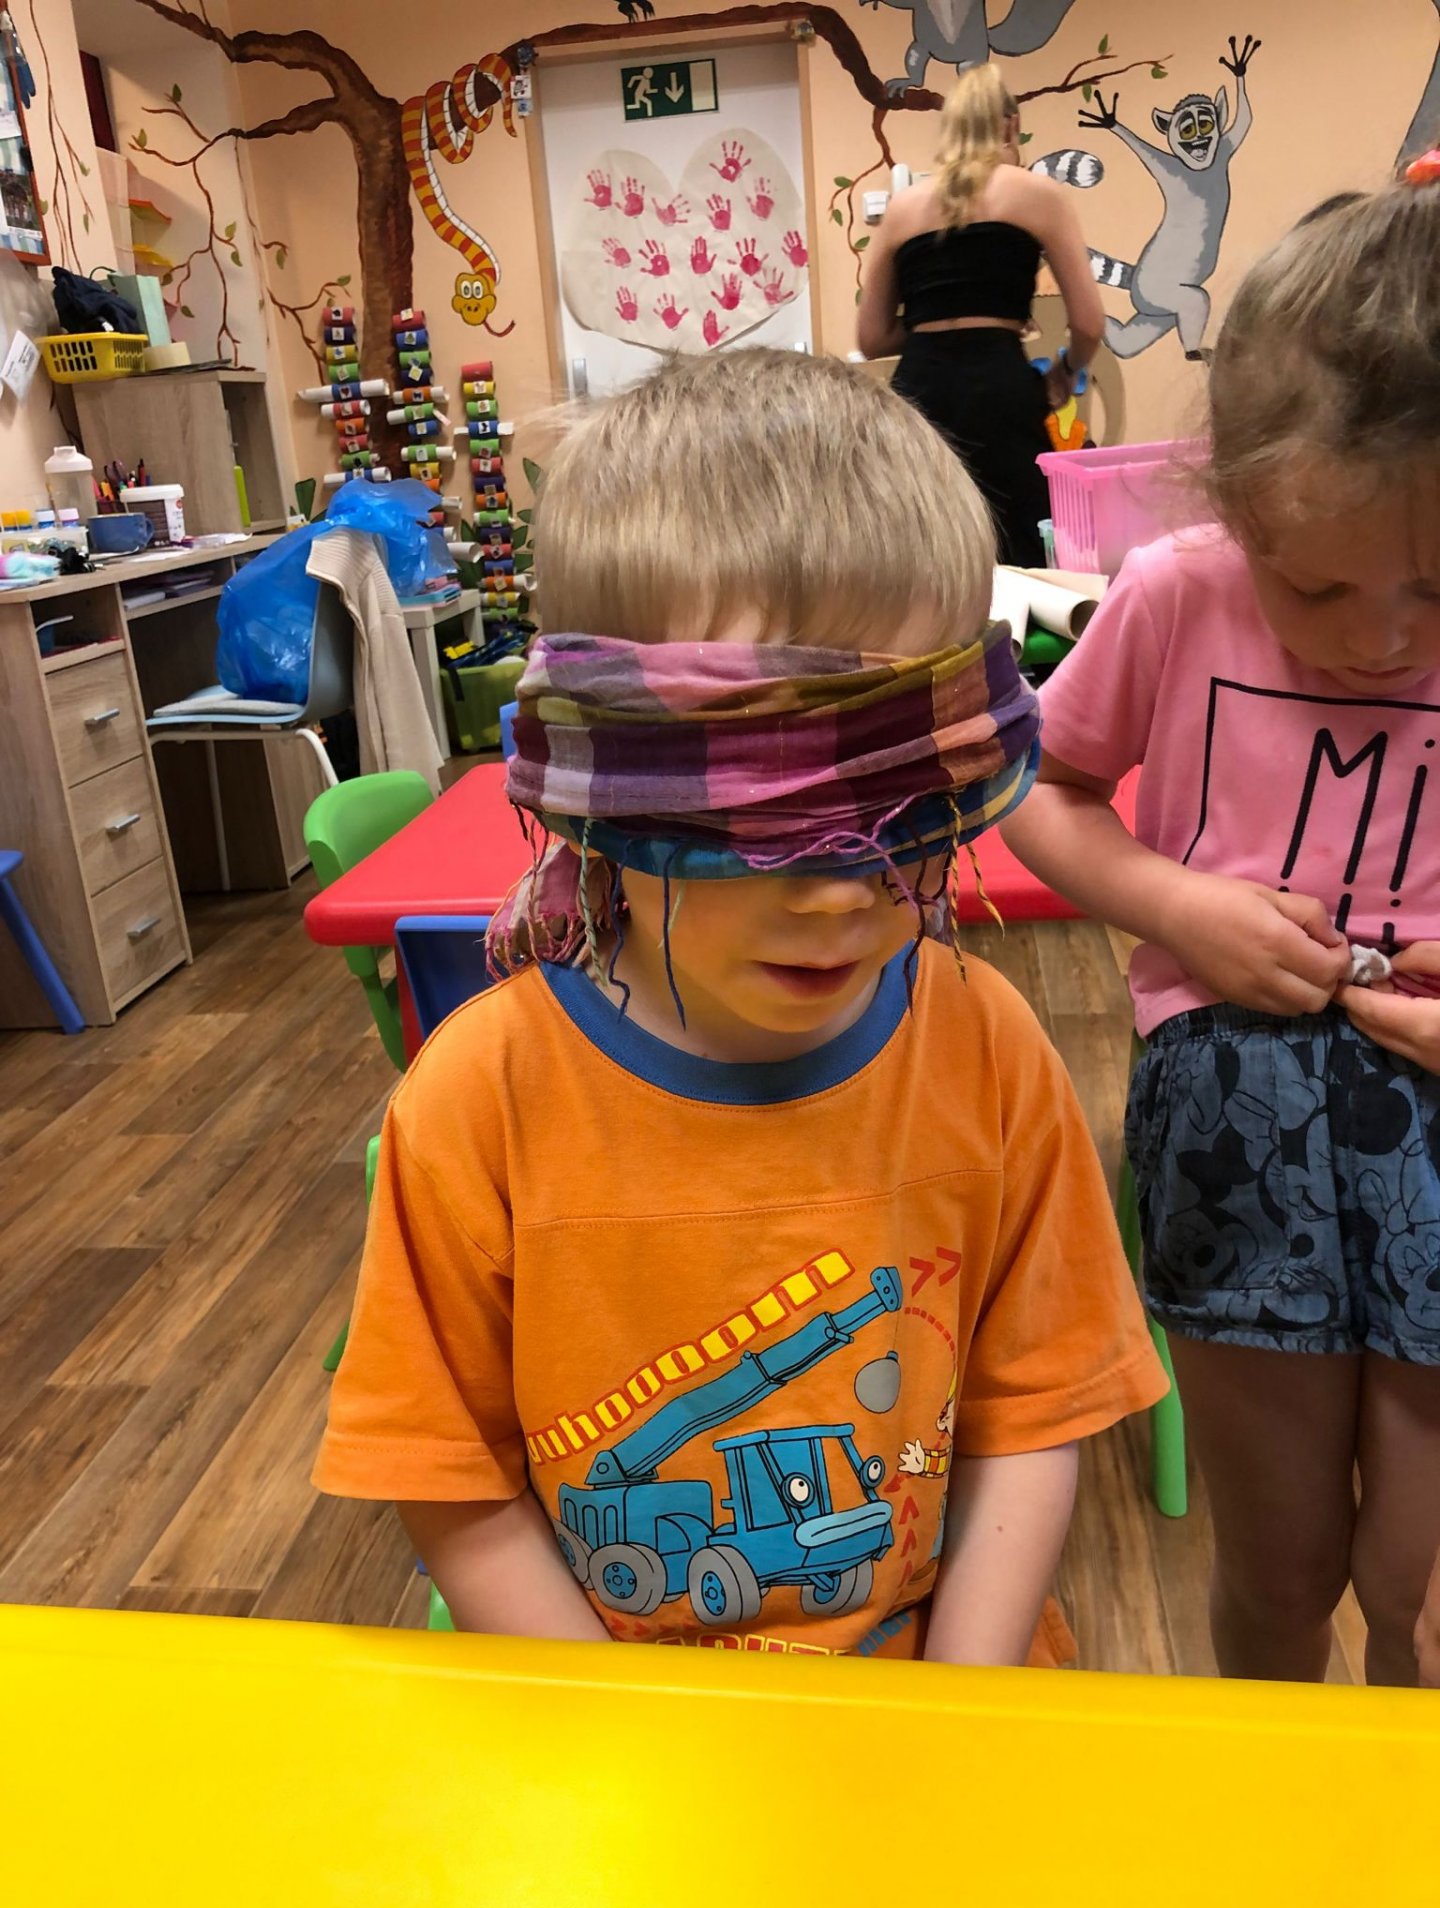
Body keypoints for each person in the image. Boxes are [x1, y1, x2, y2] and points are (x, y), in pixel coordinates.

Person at [314, 348, 1166, 1663]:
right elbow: (450, 1478)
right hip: (617, 1729)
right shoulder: (479, 1105)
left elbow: (1032, 1415)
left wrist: (955, 1707)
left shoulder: (985, 1049)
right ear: (604, 795)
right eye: (755, 820)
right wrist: (631, 1739)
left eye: (903, 804)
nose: (838, 892)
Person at [1002, 180, 1440, 1686]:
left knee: (1415, 1587)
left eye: (1437, 587)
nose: (1382, 637)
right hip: (1233, 1126)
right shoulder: (1177, 596)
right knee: (1280, 1567)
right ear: (1237, 507)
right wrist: (1178, 903)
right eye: (1318, 584)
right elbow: (1042, 789)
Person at [857, 63, 1104, 567]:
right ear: (1011, 125)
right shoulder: (1038, 194)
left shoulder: (903, 208)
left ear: (948, 129)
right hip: (1001, 388)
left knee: (927, 554)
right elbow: (1088, 324)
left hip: (920, 394)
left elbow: (871, 337)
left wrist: (931, 327)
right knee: (1022, 550)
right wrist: (1065, 370)